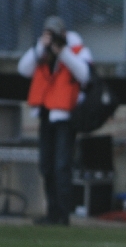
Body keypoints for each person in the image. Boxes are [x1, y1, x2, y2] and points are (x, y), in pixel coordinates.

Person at [17, 15, 91, 226]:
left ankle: (63, 214)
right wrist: (43, 46)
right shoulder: (42, 52)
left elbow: (85, 74)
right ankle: (52, 212)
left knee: (61, 165)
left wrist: (63, 52)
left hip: (65, 117)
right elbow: (23, 69)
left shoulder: (75, 49)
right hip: (46, 115)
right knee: (46, 165)